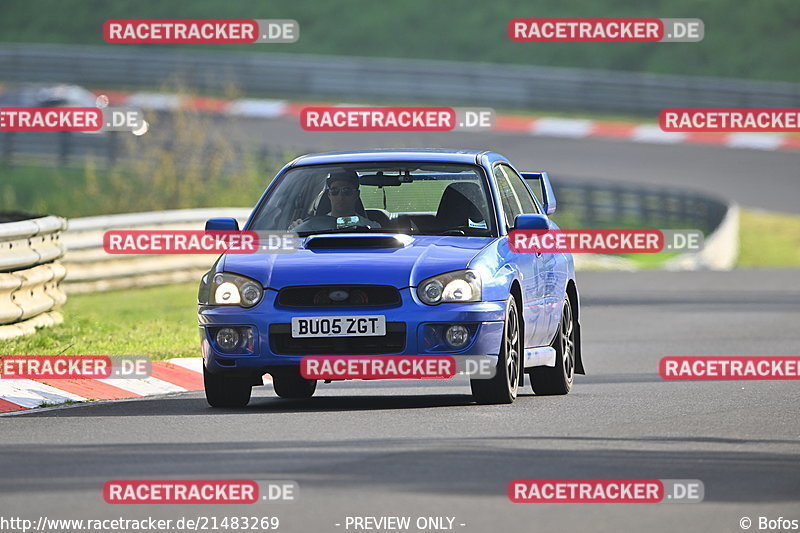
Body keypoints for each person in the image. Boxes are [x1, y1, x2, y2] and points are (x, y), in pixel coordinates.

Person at [290, 170, 382, 231]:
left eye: (347, 191)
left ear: (356, 195)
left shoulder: (372, 228)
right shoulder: (309, 227)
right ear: (329, 195)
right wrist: (295, 230)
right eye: (335, 191)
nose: (340, 196)